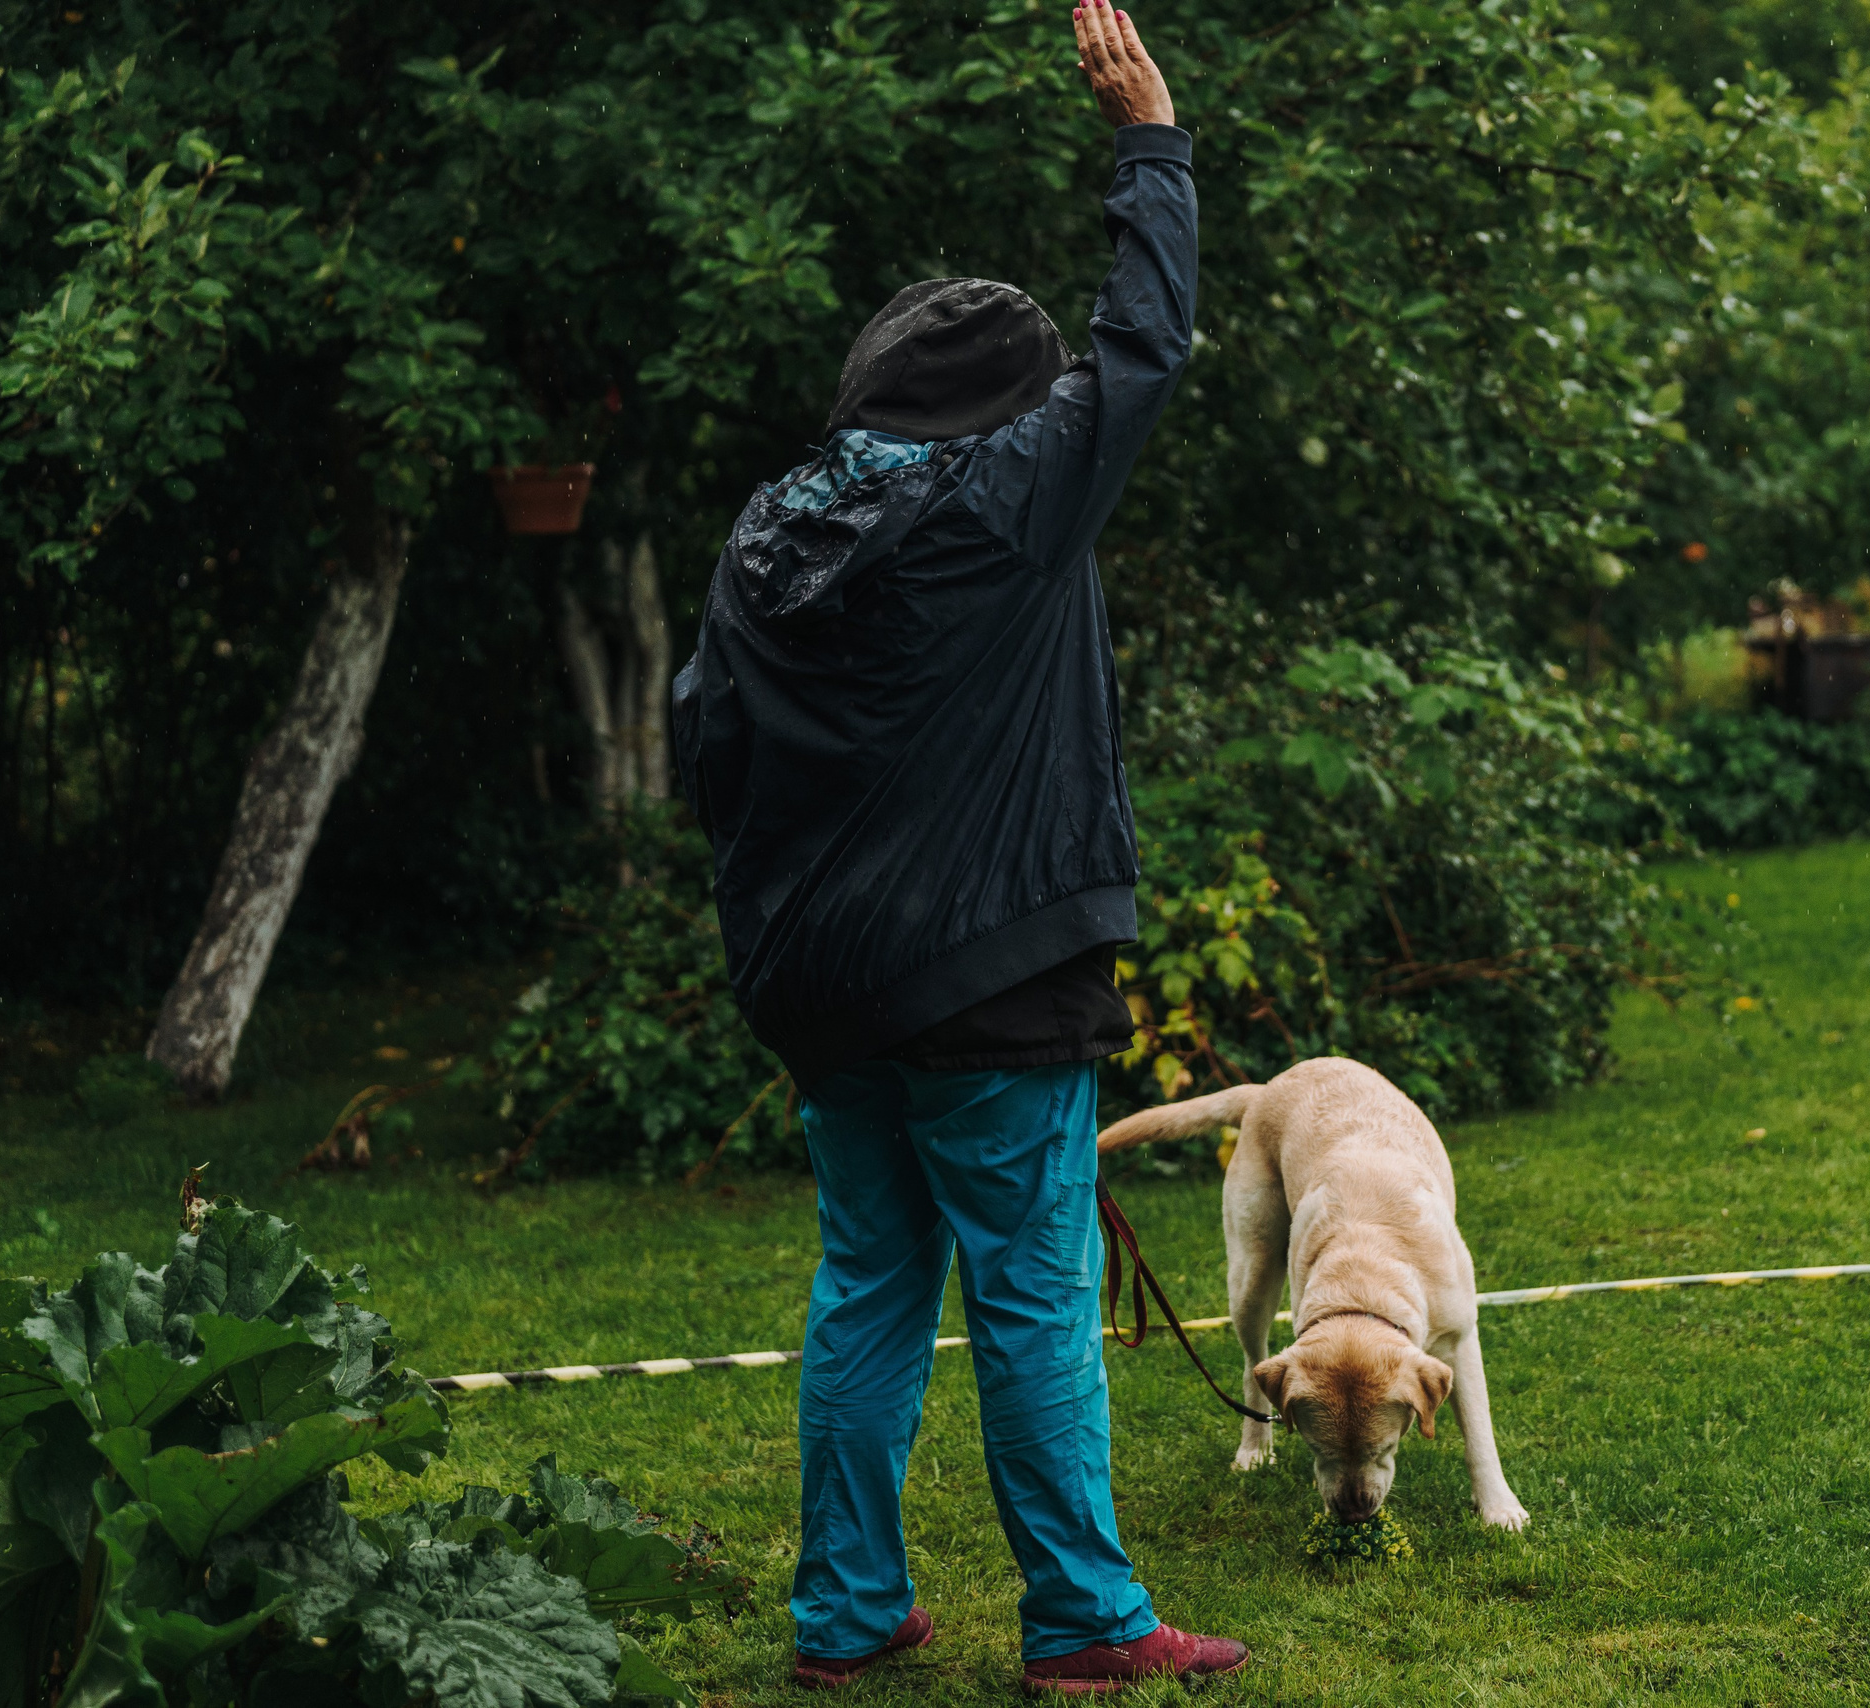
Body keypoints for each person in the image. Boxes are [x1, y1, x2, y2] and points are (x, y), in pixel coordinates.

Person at [670, 5, 1244, 1693]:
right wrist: (1150, 143)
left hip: (822, 985)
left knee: (866, 1283)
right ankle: (1081, 1617)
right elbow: (1139, 351)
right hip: (990, 970)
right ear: (1002, 408)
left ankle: (844, 1612)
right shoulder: (1011, 498)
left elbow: (705, 737)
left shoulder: (772, 525)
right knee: (1033, 1293)